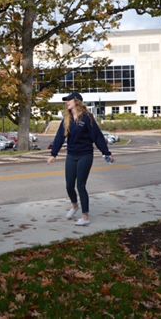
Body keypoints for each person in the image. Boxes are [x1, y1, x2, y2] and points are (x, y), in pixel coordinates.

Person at [47, 92, 113, 226]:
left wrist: (106, 152)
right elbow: (60, 137)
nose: (66, 102)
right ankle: (75, 206)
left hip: (85, 155)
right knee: (69, 185)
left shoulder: (87, 117)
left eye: (69, 100)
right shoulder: (67, 119)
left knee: (80, 185)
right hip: (71, 155)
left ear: (76, 101)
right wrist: (53, 154)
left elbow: (97, 136)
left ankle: (85, 216)